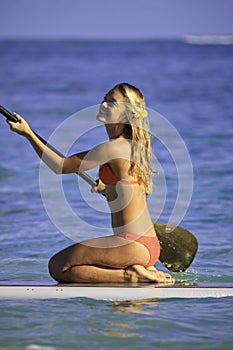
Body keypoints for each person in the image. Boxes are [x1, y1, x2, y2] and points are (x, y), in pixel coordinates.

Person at [7, 82, 174, 284]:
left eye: (112, 102)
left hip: (131, 243)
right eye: (105, 98)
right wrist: (109, 189)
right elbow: (134, 194)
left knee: (58, 267)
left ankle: (130, 275)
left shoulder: (112, 148)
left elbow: (61, 166)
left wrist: (28, 134)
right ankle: (136, 269)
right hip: (146, 244)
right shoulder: (132, 147)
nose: (103, 104)